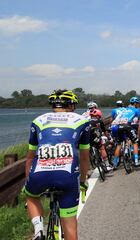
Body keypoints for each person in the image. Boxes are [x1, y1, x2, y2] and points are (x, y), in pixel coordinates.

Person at [24, 90, 90, 240]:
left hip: (39, 174)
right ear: (72, 105)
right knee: (70, 226)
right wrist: (82, 181)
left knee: (31, 196)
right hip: (67, 176)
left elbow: (29, 158)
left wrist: (27, 180)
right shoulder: (82, 120)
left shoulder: (38, 120)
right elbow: (85, 158)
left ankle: (38, 230)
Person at [111, 98, 140, 168]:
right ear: (136, 104)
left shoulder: (124, 109)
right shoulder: (136, 110)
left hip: (119, 126)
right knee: (135, 142)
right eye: (138, 104)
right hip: (127, 126)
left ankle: (115, 164)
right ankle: (136, 161)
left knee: (119, 145)